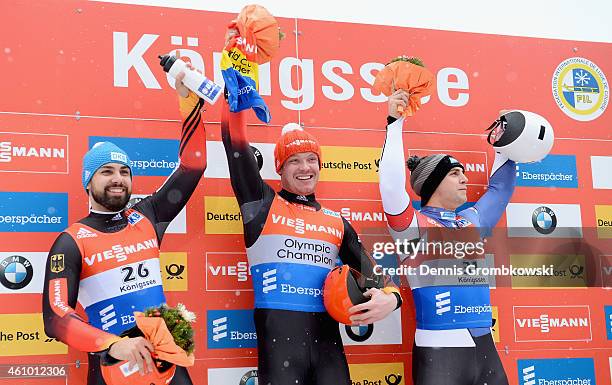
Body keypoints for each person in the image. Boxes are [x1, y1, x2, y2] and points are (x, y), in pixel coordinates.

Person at [220, 99, 402, 385]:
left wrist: (392, 298)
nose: (305, 167)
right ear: (280, 168)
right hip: (280, 352)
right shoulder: (261, 206)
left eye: (311, 159)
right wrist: (236, 101)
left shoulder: (337, 222)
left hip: (327, 351)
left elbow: (378, 278)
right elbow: (235, 146)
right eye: (294, 160)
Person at [42, 71, 206, 385]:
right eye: (106, 171)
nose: (118, 178)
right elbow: (55, 316)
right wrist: (113, 343)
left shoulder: (147, 216)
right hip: (111, 367)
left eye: (124, 171)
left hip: (167, 363)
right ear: (88, 182)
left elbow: (194, 165)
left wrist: (189, 102)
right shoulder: (71, 241)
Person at [378, 90, 516, 385]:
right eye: (455, 173)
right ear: (433, 183)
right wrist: (395, 123)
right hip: (440, 353)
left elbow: (500, 190)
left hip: (485, 349)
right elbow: (391, 188)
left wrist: (505, 147)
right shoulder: (412, 225)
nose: (465, 179)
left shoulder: (471, 220)